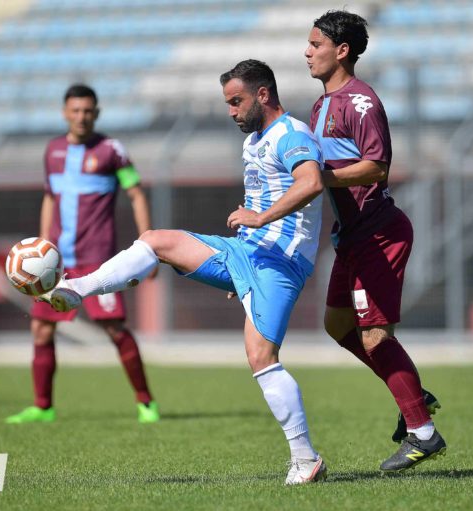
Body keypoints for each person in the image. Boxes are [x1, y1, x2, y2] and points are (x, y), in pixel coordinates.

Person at [43, 60, 328, 485]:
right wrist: (240, 270)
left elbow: (312, 183)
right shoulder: (254, 141)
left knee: (261, 358)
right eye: (228, 103)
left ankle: (305, 459)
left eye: (237, 101)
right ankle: (78, 287)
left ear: (263, 94)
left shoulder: (292, 134)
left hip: (279, 263)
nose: (231, 111)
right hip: (246, 254)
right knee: (156, 240)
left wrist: (260, 218)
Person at [305, 10, 446, 472]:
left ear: (342, 51)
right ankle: (410, 390)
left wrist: (321, 179)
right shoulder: (320, 106)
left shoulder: (361, 102)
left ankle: (423, 432)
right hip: (351, 236)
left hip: (378, 232)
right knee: (336, 324)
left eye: (316, 45)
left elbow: (377, 166)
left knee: (374, 335)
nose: (307, 52)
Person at [5, 84, 159, 425]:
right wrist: (43, 247)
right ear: (65, 113)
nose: (81, 117)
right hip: (57, 264)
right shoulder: (53, 151)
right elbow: (50, 197)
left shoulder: (112, 150)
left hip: (98, 262)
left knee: (115, 329)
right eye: (75, 111)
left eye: (88, 111)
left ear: (97, 113)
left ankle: (145, 402)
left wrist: (147, 247)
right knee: (42, 330)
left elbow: (136, 194)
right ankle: (42, 407)